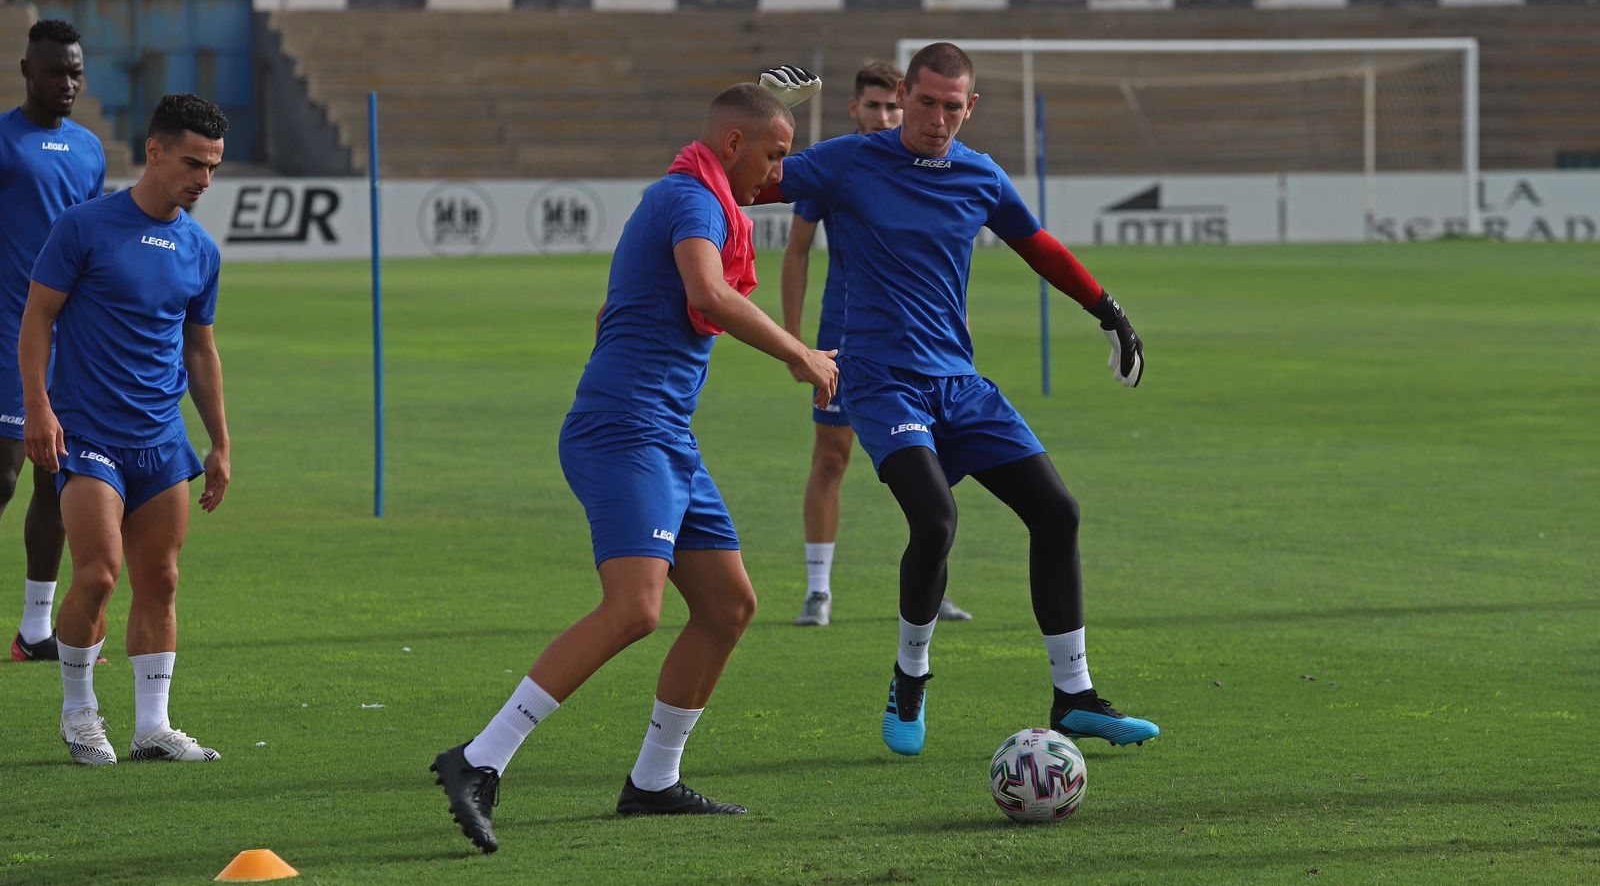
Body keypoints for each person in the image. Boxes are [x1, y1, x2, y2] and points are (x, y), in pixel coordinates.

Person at [430, 82, 838, 855]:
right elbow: (707, 293)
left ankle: (654, 780)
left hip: (664, 434)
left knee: (728, 605)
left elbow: (630, 306)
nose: (776, 176)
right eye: (772, 156)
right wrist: (801, 350)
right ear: (731, 146)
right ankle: (478, 759)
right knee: (635, 608)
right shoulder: (691, 198)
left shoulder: (700, 196)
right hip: (625, 431)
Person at [758, 45, 1159, 756]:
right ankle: (910, 674)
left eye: (953, 106)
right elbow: (744, 183)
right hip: (881, 379)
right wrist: (761, 117)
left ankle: (1074, 696)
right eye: (925, 102)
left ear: (970, 107)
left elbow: (1037, 245)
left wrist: (1109, 311)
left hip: (961, 383)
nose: (938, 118)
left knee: (1057, 512)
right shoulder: (849, 160)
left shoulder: (980, 174)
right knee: (936, 517)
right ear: (902, 97)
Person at [22, 93, 231, 765]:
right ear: (155, 151)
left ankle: (152, 726)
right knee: (99, 574)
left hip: (162, 440)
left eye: (214, 168)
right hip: (87, 434)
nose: (203, 179)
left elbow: (201, 348)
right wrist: (38, 407)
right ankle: (79, 711)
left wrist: (220, 440)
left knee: (162, 579)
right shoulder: (84, 227)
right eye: (194, 163)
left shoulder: (200, 249)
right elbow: (37, 319)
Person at [782, 60, 971, 628]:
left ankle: (931, 588)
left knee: (927, 466)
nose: (885, 115)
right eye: (875, 106)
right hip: (841, 338)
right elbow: (796, 250)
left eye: (892, 106)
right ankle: (819, 589)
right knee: (831, 458)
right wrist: (794, 341)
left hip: (918, 348)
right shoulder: (837, 165)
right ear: (854, 109)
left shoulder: (935, 166)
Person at [3, 19, 104, 662]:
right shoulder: (3, 141)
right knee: (3, 477)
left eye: (75, 71)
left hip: (69, 344)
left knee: (53, 481)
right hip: (6, 334)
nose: (66, 83)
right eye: (53, 72)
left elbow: (89, 243)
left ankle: (35, 630)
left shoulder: (91, 149)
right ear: (26, 72)